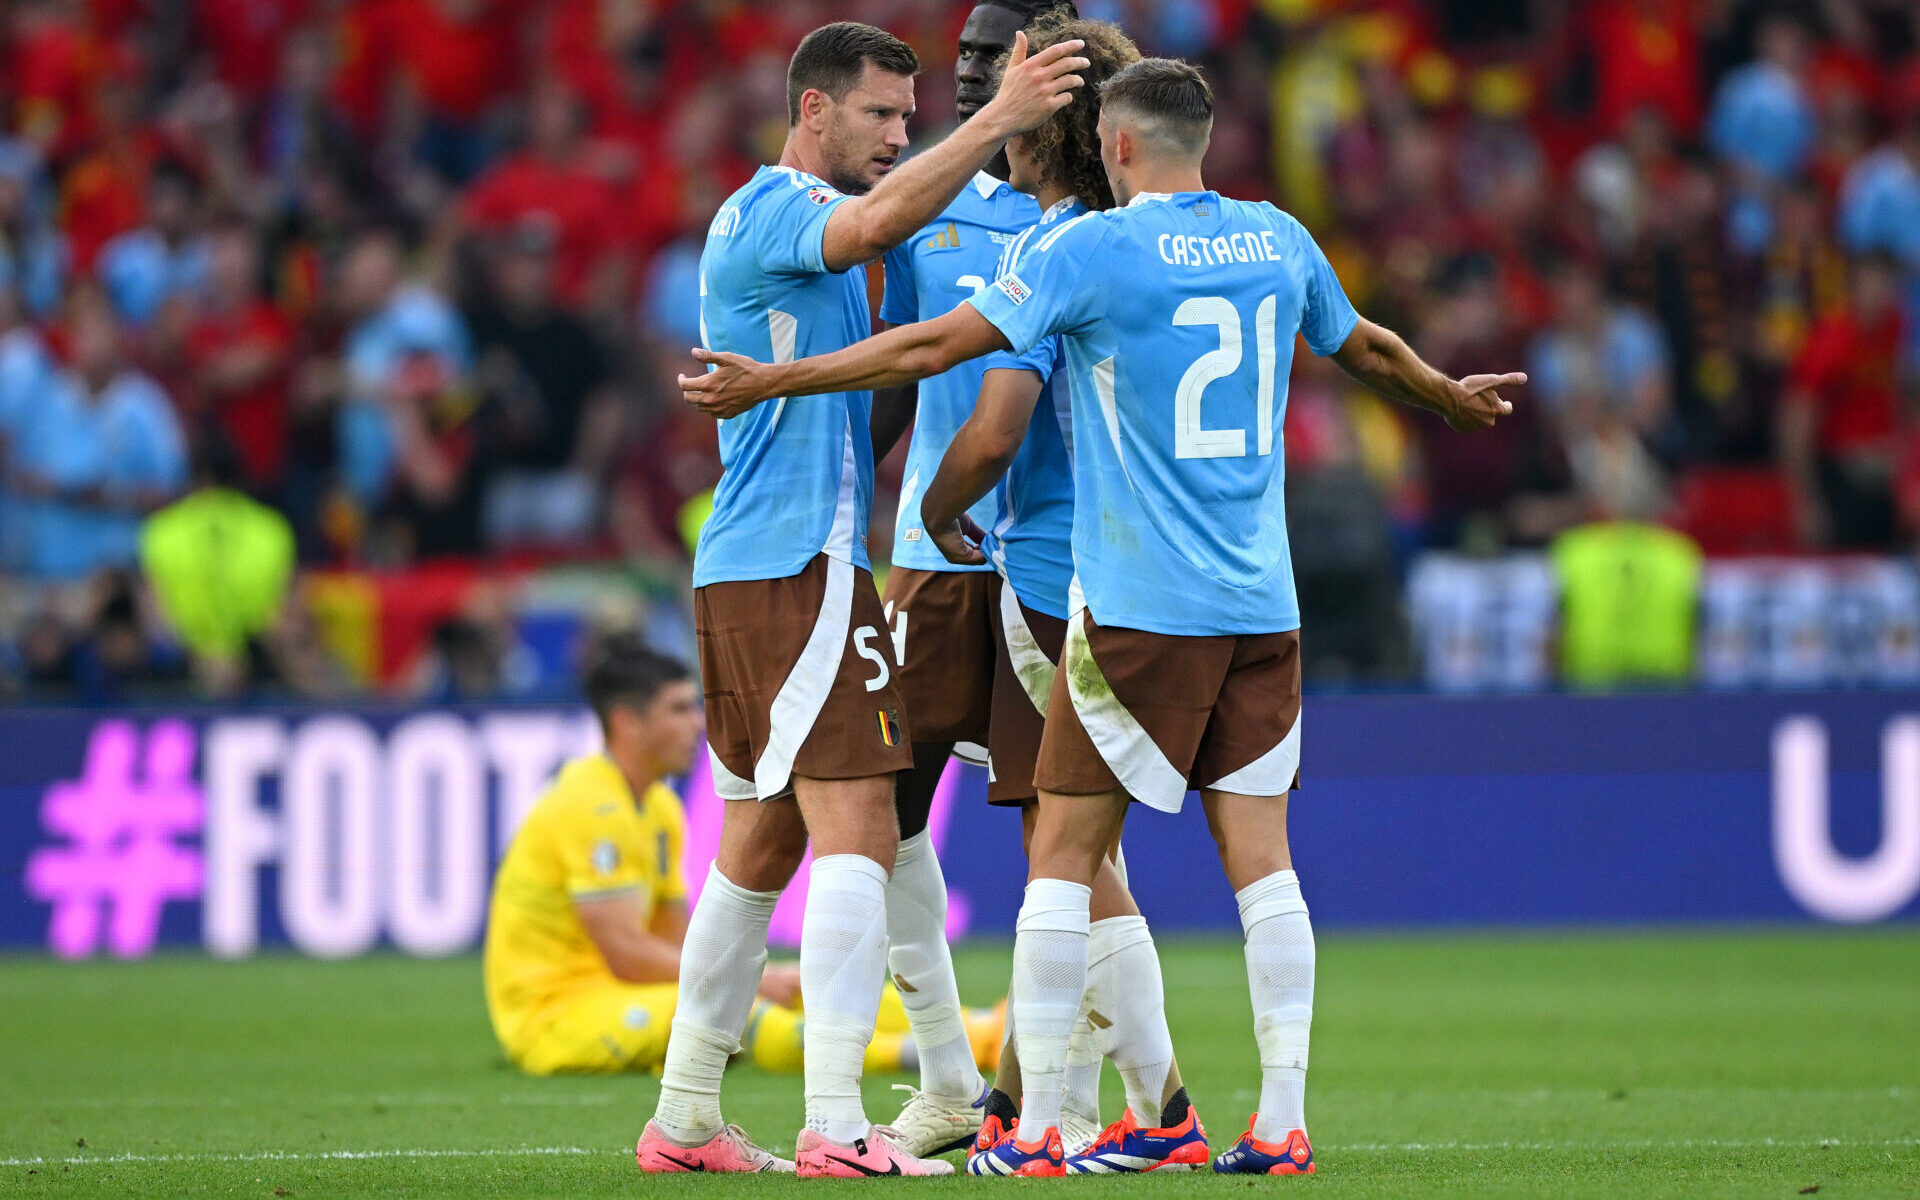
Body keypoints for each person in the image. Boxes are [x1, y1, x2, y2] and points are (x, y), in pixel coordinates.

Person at [679, 57, 1521, 1177]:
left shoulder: (1085, 250)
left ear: (1114, 143)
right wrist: (1449, 396)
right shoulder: (1277, 237)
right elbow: (1364, 345)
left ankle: (1031, 1128)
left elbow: (944, 359)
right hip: (1264, 604)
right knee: (1264, 867)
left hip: (1124, 602)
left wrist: (864, 451)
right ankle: (1270, 1119)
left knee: (1057, 857)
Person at [634, 21, 1090, 1178]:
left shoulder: (766, 227)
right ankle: (837, 1124)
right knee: (861, 831)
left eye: (911, 112)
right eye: (884, 114)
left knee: (757, 843)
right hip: (800, 568)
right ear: (813, 110)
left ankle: (686, 1117)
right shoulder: (786, 211)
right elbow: (881, 224)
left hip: (754, 566)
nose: (899, 135)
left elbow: (889, 373)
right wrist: (998, 121)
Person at [910, 13, 1204, 1176]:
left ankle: (1089, 1115)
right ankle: (1071, 1103)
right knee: (1082, 846)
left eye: (1026, 113)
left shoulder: (1061, 245)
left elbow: (992, 430)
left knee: (1064, 848)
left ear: (1063, 129)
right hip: (1150, 570)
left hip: (1049, 574)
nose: (1005, 132)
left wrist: (936, 511)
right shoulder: (1160, 240)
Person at [863, 0, 1079, 1161]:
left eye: (997, 59)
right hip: (934, 565)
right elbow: (899, 372)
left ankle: (1044, 1084)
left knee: (1069, 829)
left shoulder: (1092, 217)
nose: (971, 77)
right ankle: (950, 1077)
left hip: (1049, 556)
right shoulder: (929, 200)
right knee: (885, 807)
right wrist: (867, 485)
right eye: (968, 60)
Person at [483, 638, 980, 1080]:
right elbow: (627, 955)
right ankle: (918, 1061)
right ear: (625, 723)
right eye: (677, 709)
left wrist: (760, 977)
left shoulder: (657, 807)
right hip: (558, 1011)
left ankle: (979, 1027)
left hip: (621, 993)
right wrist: (754, 981)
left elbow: (678, 939)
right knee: (742, 1011)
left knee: (800, 986)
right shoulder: (590, 804)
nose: (695, 723)